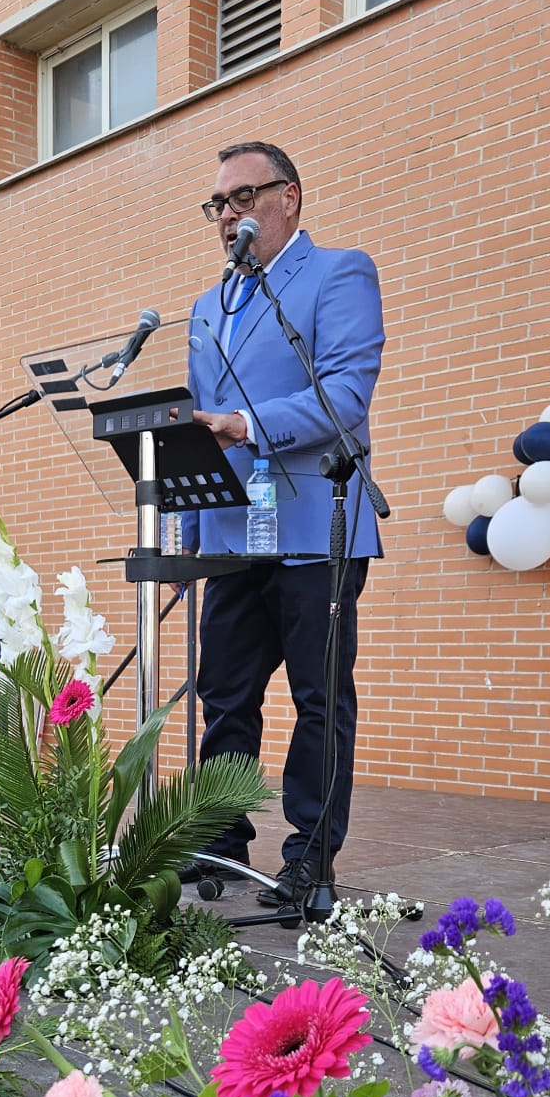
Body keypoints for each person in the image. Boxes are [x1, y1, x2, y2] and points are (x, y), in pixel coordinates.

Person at [183, 141, 385, 906]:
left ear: (289, 198)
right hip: (235, 534)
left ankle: (309, 857)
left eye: (242, 197)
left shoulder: (338, 273)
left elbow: (345, 397)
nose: (227, 215)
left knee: (317, 699)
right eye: (218, 205)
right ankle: (220, 842)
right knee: (225, 695)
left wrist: (245, 422)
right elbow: (203, 424)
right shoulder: (209, 305)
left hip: (316, 525)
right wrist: (196, 535)